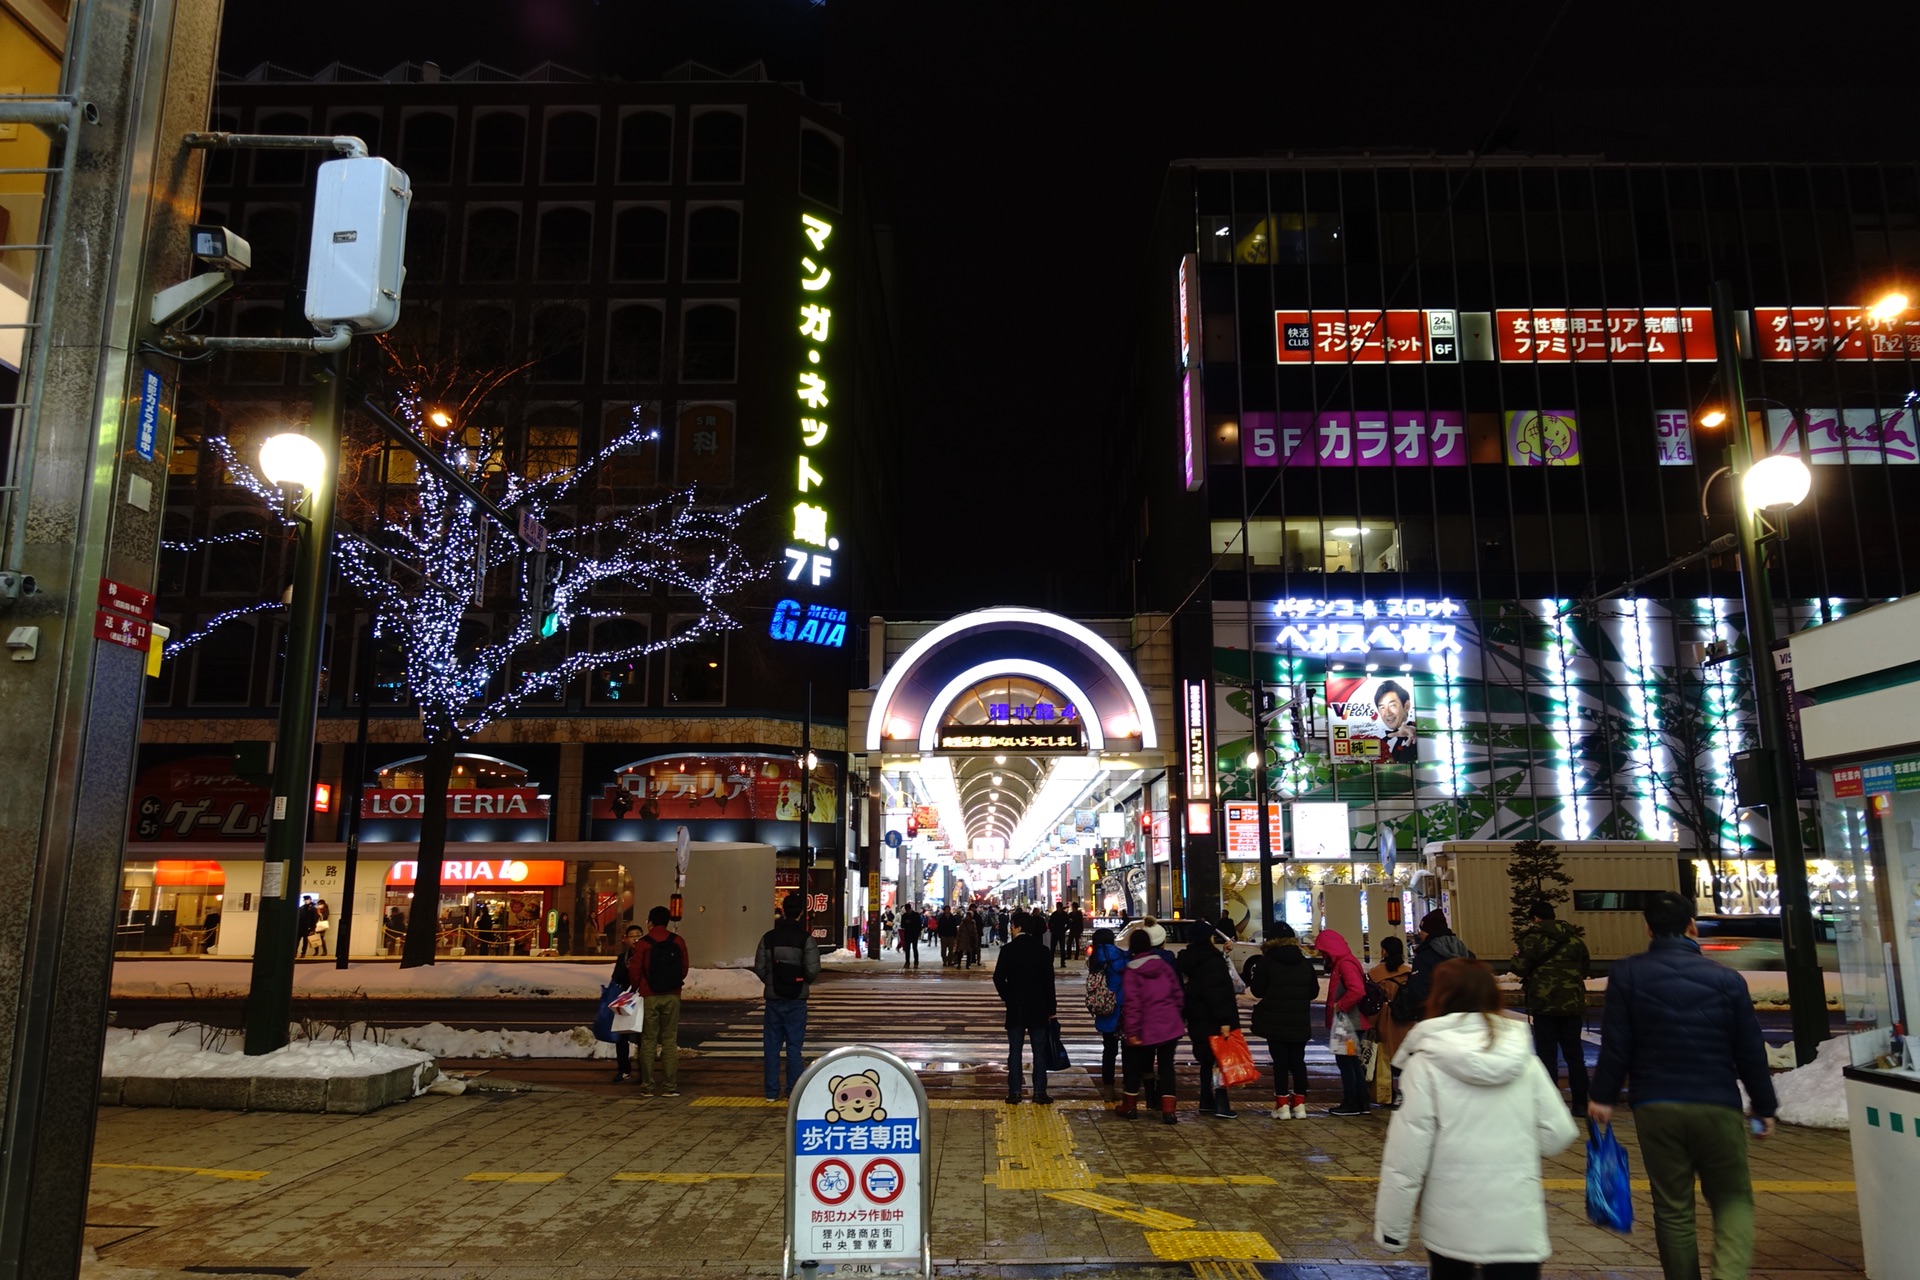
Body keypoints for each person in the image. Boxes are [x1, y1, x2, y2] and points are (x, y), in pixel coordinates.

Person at [1588, 892, 1777, 1280]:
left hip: (1655, 1104)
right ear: (1692, 926)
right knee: (1732, 1198)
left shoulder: (1627, 973)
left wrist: (1603, 1096)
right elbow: (1750, 1050)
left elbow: (1616, 1042)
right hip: (1717, 1102)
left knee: (1672, 1206)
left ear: (1648, 929)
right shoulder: (1727, 979)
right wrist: (1764, 1106)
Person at [1373, 958, 1579, 1278]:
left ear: (1438, 996)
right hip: (1517, 1224)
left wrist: (1392, 1230)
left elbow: (1405, 1159)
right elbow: (1559, 1133)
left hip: (1450, 1225)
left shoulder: (1425, 1064)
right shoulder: (1523, 1058)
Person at [1511, 899, 1592, 1116]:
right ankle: (1581, 1104)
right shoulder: (1574, 939)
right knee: (1575, 1055)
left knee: (1547, 1055)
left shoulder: (1532, 939)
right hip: (1572, 1004)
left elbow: (1518, 967)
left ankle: (1550, 1105)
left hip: (1543, 1004)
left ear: (1535, 918)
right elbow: (1585, 967)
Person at [752, 892, 822, 1101]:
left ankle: (771, 1091)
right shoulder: (806, 939)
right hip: (797, 1000)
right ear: (802, 913)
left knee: (771, 1046)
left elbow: (759, 967)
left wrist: (772, 982)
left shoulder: (769, 938)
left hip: (773, 999)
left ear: (782, 911)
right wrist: (800, 982)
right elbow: (813, 970)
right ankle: (793, 1089)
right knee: (794, 1047)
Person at [1246, 923, 1318, 1120]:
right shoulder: (1304, 963)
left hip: (1274, 1020)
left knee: (1280, 1064)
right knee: (1298, 1062)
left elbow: (1257, 990)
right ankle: (1300, 1104)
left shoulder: (1267, 961)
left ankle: (1282, 1105)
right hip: (1299, 1020)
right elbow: (1314, 992)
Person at [1118, 927, 1185, 1124]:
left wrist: (1132, 1031)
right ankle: (1168, 1111)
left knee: (1134, 1067)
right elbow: (1178, 993)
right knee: (1166, 1068)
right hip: (1170, 1025)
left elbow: (1132, 1004)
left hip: (1146, 1027)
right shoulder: (1164, 966)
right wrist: (1176, 1015)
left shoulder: (1132, 971)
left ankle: (1130, 1106)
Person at [1177, 920, 1242, 1118]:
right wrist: (1225, 1021)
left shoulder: (1188, 959)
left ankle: (1206, 1100)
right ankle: (1221, 1104)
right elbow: (1218, 993)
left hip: (1196, 1017)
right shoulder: (1213, 962)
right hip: (1214, 1019)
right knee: (1219, 1061)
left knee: (1206, 1061)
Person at [993, 912, 1057, 1104]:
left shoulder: (1008, 950)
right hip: (1039, 1008)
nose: (1010, 929)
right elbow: (1049, 983)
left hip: (1016, 1008)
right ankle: (1039, 1092)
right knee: (1039, 1051)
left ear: (1018, 927)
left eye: (1012, 926)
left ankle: (1014, 1092)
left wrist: (1008, 997)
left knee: (1015, 1051)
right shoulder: (1043, 951)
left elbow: (998, 978)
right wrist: (1051, 1010)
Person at [627, 905, 690, 1097]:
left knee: (648, 1040)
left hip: (650, 996)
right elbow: (684, 968)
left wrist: (638, 987)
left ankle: (648, 1086)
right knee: (669, 1040)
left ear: (650, 922)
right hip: (672, 995)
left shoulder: (643, 943)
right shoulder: (678, 941)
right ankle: (669, 1086)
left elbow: (635, 970)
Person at [1317, 927, 1371, 1116]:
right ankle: (1361, 1102)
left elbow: (1356, 990)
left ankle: (1352, 1103)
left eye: (1323, 950)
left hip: (1347, 1021)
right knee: (1352, 1063)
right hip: (1350, 1020)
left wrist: (1340, 1006)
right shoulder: (1347, 961)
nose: (1321, 954)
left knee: (1346, 1063)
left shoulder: (1344, 964)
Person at [1368, 935, 1415, 1108]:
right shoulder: (1409, 971)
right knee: (1406, 1054)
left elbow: (1371, 999)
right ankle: (1407, 1092)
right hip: (1406, 1016)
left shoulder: (1375, 973)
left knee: (1385, 1056)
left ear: (1384, 951)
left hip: (1385, 1016)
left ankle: (1388, 1092)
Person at [1403, 909, 1471, 1023]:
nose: (1420, 934)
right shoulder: (1467, 954)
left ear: (1429, 932)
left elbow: (1418, 992)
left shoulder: (1424, 957)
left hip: (1434, 1018)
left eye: (1422, 930)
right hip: (1466, 1018)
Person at [1085, 927, 1127, 1101]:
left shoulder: (1095, 959)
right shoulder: (1121, 956)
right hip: (1123, 1007)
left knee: (1109, 1050)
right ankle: (1128, 1086)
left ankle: (1108, 1088)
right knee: (1127, 1049)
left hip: (1106, 1008)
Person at [610, 924, 645, 1083]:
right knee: (622, 1035)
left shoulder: (647, 955)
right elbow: (616, 978)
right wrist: (626, 969)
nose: (636, 938)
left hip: (642, 999)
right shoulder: (622, 958)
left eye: (639, 934)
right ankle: (623, 1069)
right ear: (626, 939)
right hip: (626, 1000)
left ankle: (644, 1071)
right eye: (632, 935)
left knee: (642, 1038)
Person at [1374, 679, 1417, 764]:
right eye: (1382, 707)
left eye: (1392, 705)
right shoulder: (1380, 743)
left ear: (1406, 706)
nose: (1388, 713)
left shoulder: (1415, 734)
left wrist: (1416, 731)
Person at [899, 903, 922, 968]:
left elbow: (919, 924)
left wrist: (918, 932)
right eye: (906, 910)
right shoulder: (904, 916)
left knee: (915, 948)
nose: (907, 911)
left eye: (908, 910)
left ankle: (916, 962)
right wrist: (906, 923)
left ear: (910, 909)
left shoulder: (916, 915)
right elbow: (902, 925)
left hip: (914, 934)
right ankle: (907, 962)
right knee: (907, 949)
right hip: (907, 934)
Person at [1048, 902, 1071, 969]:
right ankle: (1051, 962)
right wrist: (1052, 929)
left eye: (1058, 906)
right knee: (1052, 948)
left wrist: (1064, 929)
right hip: (1055, 932)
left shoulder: (1064, 915)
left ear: (1060, 907)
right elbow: (1050, 923)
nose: (1057, 908)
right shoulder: (1054, 914)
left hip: (1060, 932)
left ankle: (1062, 962)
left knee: (1062, 948)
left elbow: (1068, 924)